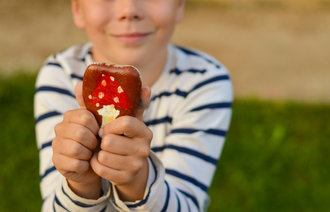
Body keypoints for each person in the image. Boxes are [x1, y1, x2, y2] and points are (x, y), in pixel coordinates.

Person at [34, 0, 233, 211]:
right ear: (77, 10)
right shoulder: (61, 74)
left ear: (179, 6)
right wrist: (81, 183)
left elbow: (186, 203)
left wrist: (138, 183)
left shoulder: (203, 81)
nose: (128, 11)